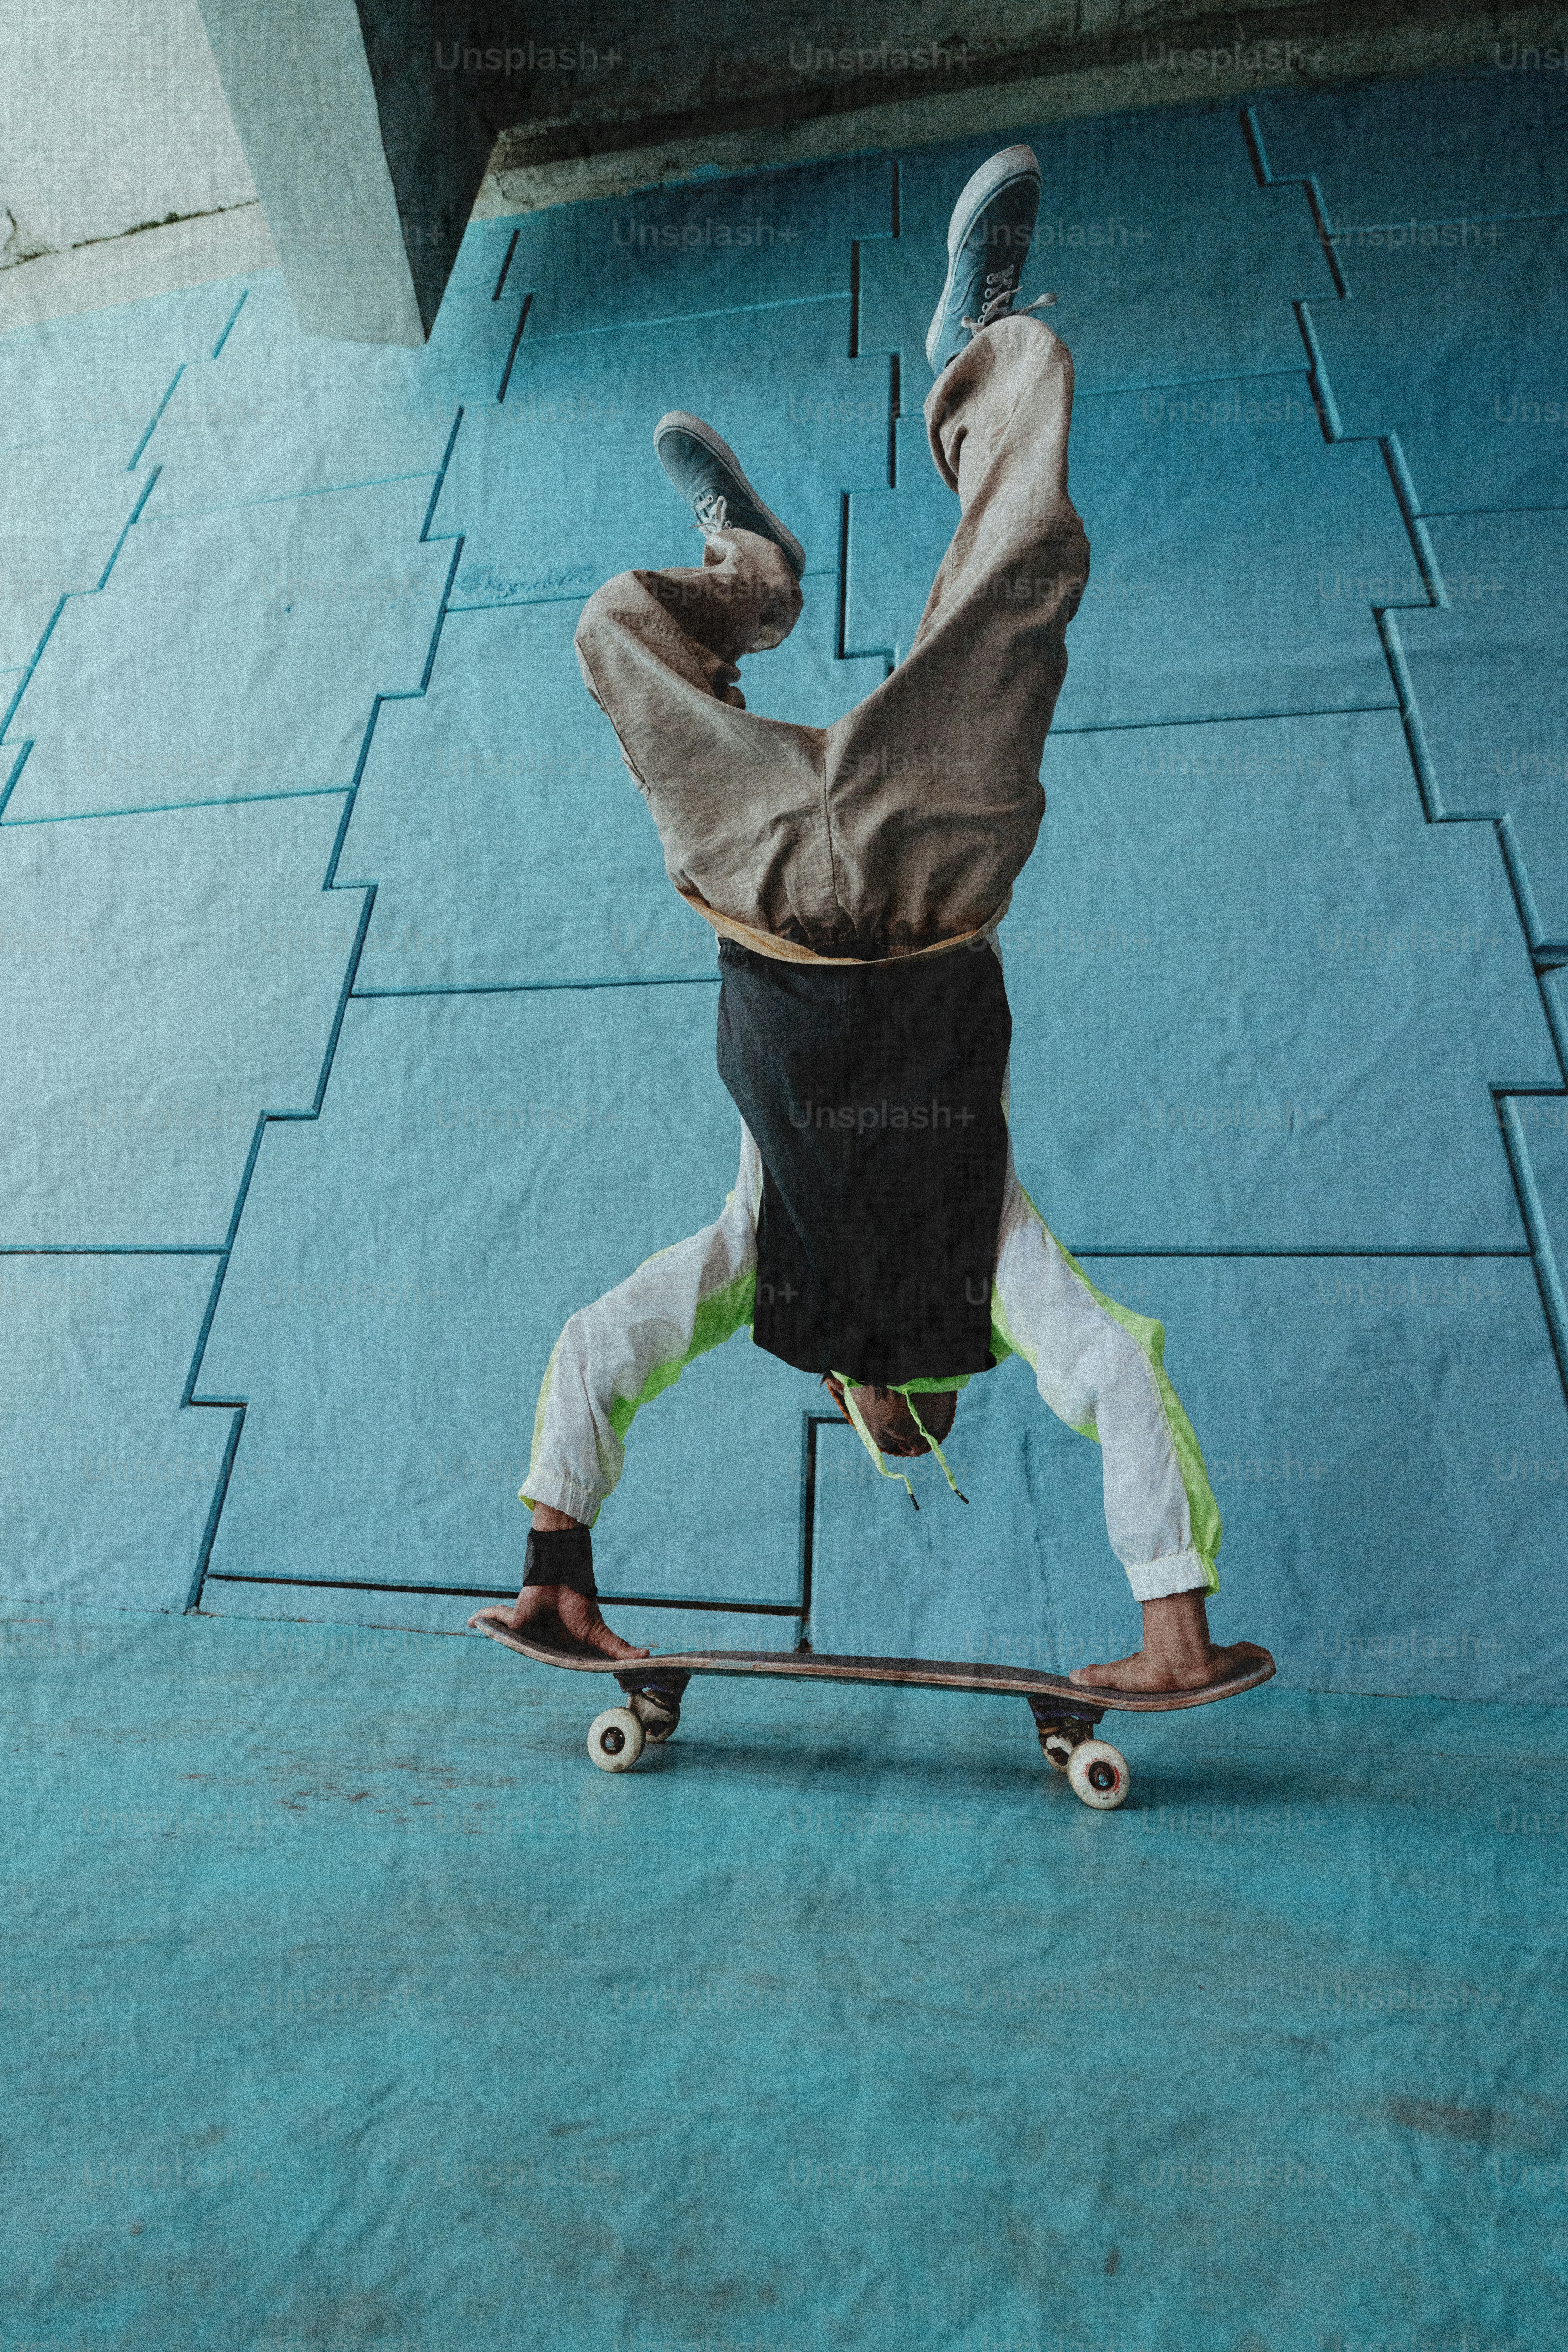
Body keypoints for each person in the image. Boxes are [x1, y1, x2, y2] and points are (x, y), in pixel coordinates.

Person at [479, 146, 1270, 1698]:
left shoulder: (755, 1258)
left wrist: (556, 1559)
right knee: (1023, 563)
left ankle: (747, 577)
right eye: (934, 1411)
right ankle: (976, 346)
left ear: (843, 1389)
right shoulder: (984, 1262)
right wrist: (1171, 1621)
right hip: (930, 883)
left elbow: (598, 1348)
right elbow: (1113, 1366)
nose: (912, 1402)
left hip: (762, 889)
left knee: (608, 636)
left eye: (889, 1415)